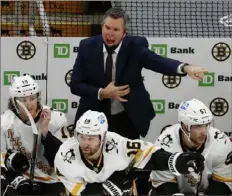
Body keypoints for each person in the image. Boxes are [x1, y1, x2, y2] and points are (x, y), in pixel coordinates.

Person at [70, 7, 208, 140]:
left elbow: (157, 61)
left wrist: (186, 68)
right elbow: (75, 85)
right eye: (107, 28)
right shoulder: (86, 47)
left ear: (124, 33)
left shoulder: (135, 45)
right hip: (94, 115)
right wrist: (102, 93)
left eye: (116, 29)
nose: (110, 33)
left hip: (126, 117)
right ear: (102, 26)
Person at [54, 110, 205, 195]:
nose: (85, 143)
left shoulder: (117, 144)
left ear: (104, 137)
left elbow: (150, 155)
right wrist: (111, 187)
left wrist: (177, 161)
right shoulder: (65, 156)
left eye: (92, 138)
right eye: (82, 137)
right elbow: (82, 192)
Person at [1, 75, 70, 195]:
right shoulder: (5, 123)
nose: (29, 105)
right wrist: (16, 180)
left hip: (51, 179)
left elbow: (63, 160)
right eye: (23, 100)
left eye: (32, 98)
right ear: (14, 101)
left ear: (38, 97)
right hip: (22, 178)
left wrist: (45, 132)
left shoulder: (55, 119)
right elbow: (2, 162)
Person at [150, 99, 232, 195]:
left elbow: (223, 185)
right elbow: (163, 186)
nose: (204, 132)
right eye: (198, 126)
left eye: (206, 125)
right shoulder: (164, 144)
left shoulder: (221, 143)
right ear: (184, 127)